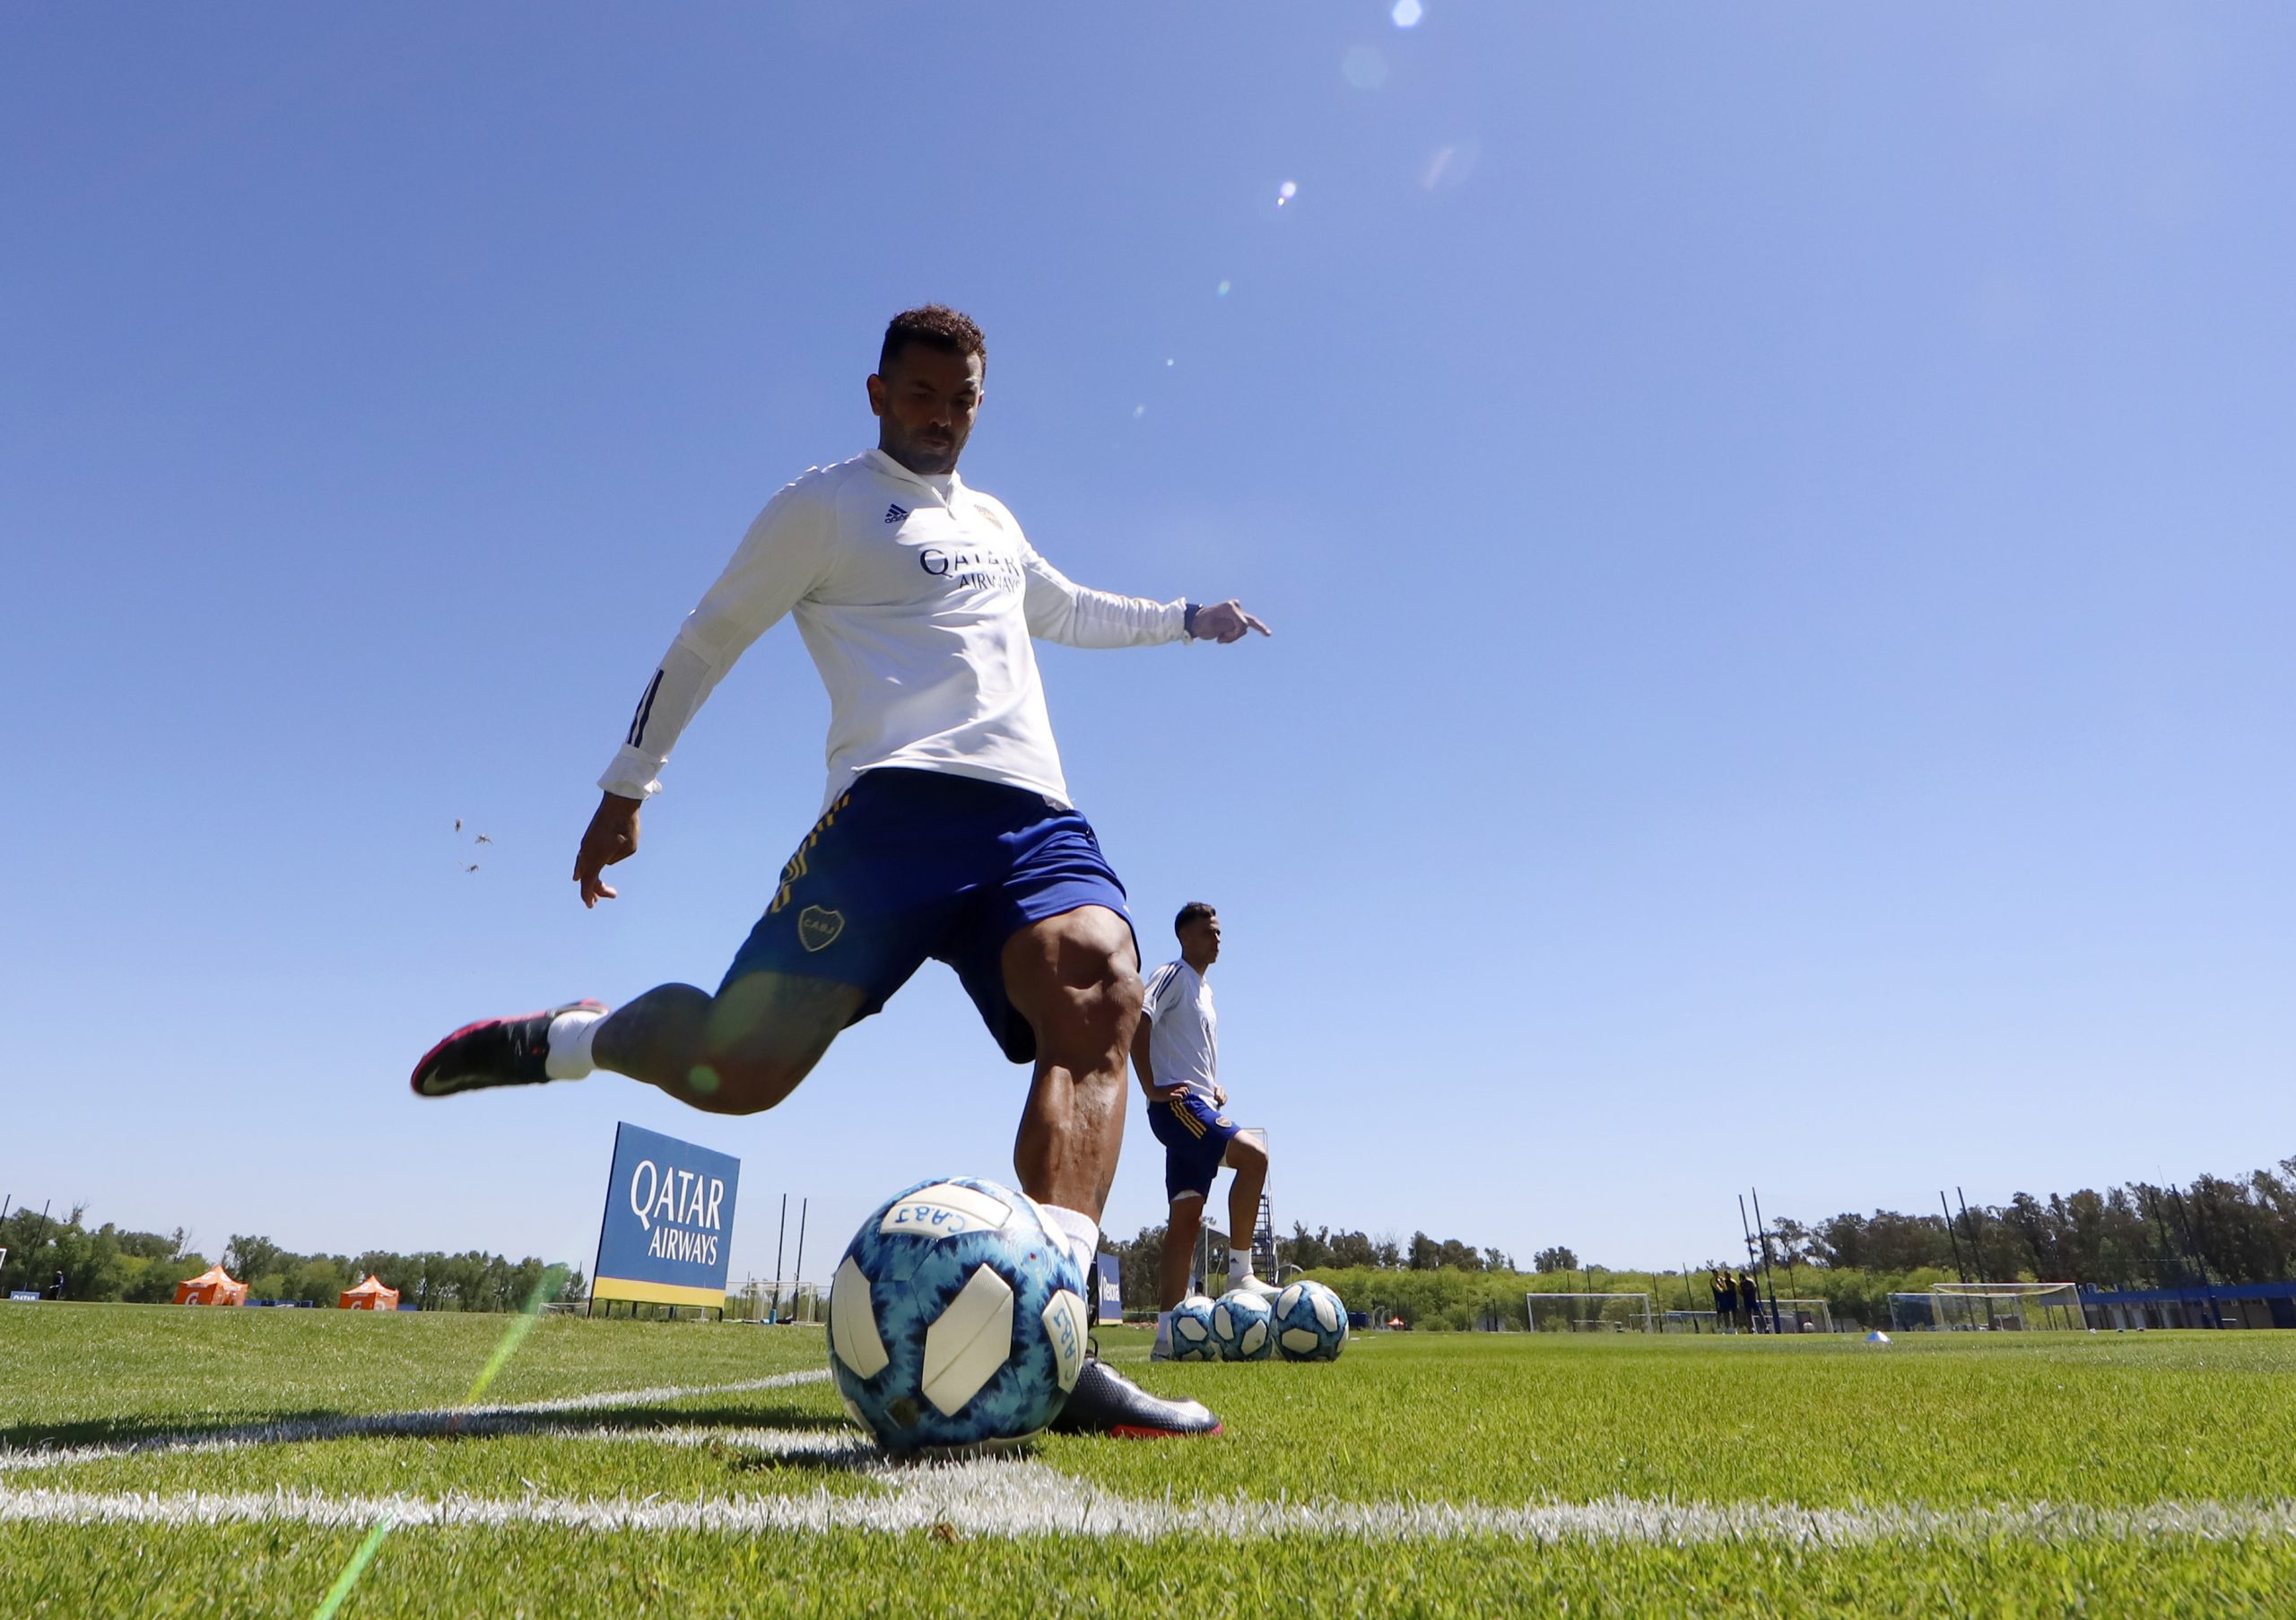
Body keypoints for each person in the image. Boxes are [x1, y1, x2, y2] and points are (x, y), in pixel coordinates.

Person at [409, 306, 1270, 1439]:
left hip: (1031, 815)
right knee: (740, 1070)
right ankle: (577, 1038)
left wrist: (1187, 619)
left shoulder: (994, 520)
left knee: (1100, 985)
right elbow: (711, 634)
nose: (941, 416)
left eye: (962, 400)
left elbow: (1065, 608)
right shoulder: (823, 504)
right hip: (889, 815)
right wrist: (628, 786)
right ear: (876, 393)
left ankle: (1056, 1339)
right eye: (921, 394)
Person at [1131, 902, 1274, 1360]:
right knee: (1255, 1158)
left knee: (1186, 1219)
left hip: (1198, 1103)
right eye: (1209, 931)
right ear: (1184, 936)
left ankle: (1165, 1339)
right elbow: (1138, 1017)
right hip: (1179, 1107)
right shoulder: (1172, 974)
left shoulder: (1204, 991)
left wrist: (1213, 1087)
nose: (1218, 938)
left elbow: (1185, 1051)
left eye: (1219, 932)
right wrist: (1151, 1087)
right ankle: (1240, 1273)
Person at [1709, 1264, 1735, 1332]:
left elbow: (1725, 1287)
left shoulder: (1720, 1279)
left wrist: (1724, 1286)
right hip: (1718, 1299)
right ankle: (1719, 1328)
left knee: (1726, 1312)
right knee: (1719, 1313)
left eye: (1717, 1272)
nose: (1717, 1274)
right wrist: (1723, 1290)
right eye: (1715, 1273)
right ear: (1713, 1273)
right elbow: (1718, 1289)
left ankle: (1728, 1327)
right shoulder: (1713, 1280)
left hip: (1724, 1298)